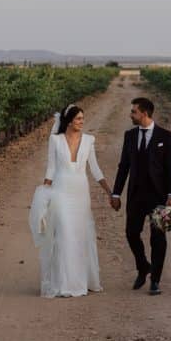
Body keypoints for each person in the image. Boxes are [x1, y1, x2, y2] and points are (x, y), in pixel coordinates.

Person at [31, 104, 113, 298]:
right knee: (64, 235)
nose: (81, 122)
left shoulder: (89, 141)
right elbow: (50, 169)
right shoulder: (55, 140)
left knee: (80, 236)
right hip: (60, 191)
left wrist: (110, 192)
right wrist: (44, 197)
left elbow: (95, 169)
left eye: (83, 119)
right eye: (78, 119)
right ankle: (64, 283)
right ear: (68, 121)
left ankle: (81, 280)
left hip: (80, 194)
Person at [109, 97, 171, 295]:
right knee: (131, 233)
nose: (130, 115)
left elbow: (170, 169)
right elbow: (124, 167)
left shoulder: (166, 136)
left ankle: (155, 280)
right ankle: (143, 265)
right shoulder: (129, 136)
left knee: (158, 238)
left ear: (145, 113)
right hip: (136, 195)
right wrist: (116, 193)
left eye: (134, 112)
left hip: (159, 197)